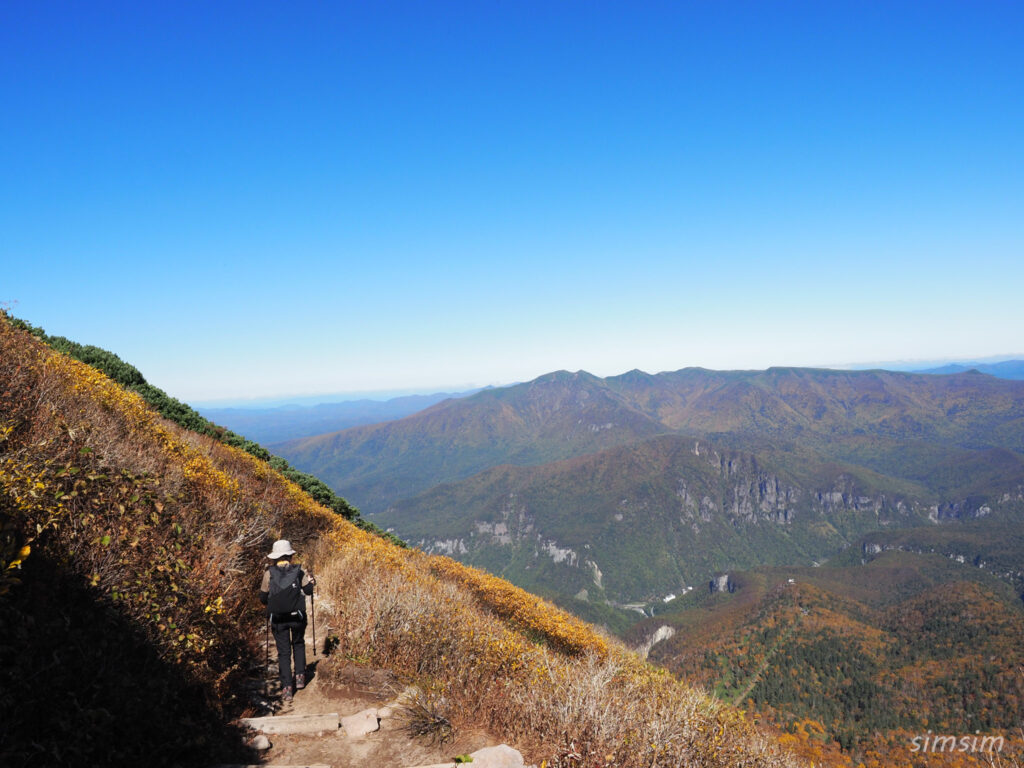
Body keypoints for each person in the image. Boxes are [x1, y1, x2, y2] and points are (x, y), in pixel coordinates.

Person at [259, 539, 315, 701]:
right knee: (298, 644)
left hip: (278, 618)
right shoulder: (299, 572)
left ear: (275, 557)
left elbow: (263, 598)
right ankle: (300, 677)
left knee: (283, 652)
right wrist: (312, 582)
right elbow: (309, 591)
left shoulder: (269, 574)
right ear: (290, 556)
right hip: (297, 616)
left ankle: (287, 687)